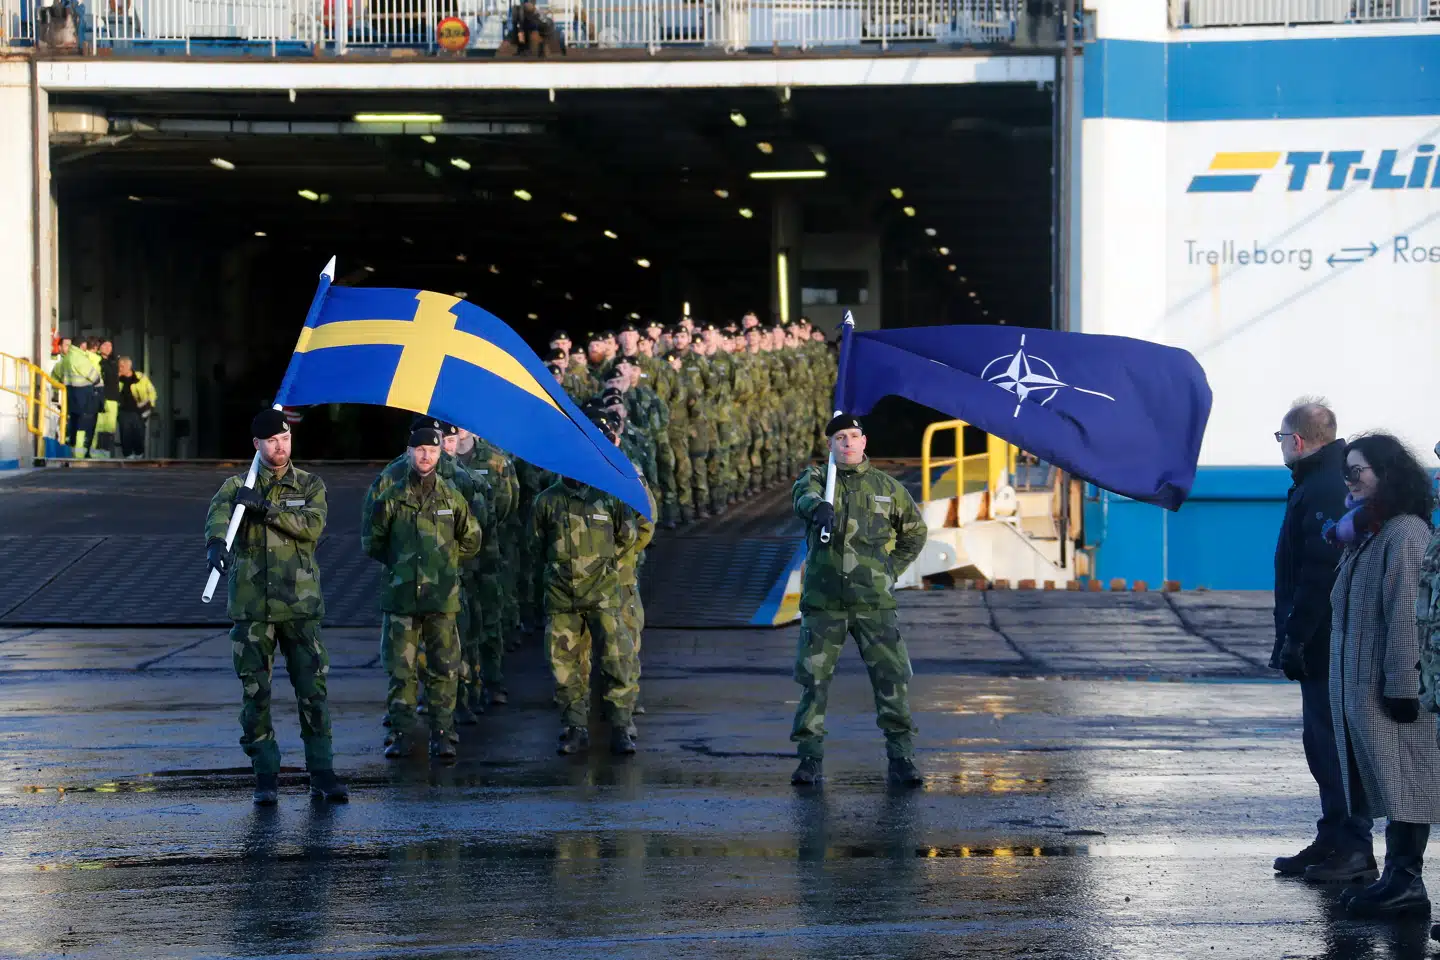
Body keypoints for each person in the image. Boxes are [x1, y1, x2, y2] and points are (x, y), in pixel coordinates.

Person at [203, 409, 346, 805]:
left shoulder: (310, 484)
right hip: (252, 609)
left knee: (313, 693)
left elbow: (312, 526)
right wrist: (215, 544)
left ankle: (323, 773)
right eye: (271, 441)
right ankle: (265, 775)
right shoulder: (236, 486)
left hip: (300, 608)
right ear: (257, 445)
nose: (280, 447)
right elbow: (216, 518)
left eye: (284, 439)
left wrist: (266, 508)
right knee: (256, 694)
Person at [1327, 433, 1440, 915]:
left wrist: (1400, 687)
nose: (1349, 481)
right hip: (1363, 689)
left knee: (1407, 783)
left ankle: (1405, 880)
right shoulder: (1370, 530)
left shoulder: (1405, 534)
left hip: (1391, 691)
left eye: (1359, 471)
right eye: (1346, 471)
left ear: (1387, 474)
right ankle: (1399, 877)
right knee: (1393, 783)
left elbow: (1408, 617)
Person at [789, 414, 928, 787]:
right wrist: (818, 507)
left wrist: (888, 570)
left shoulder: (887, 488)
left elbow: (914, 533)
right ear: (830, 446)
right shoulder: (818, 480)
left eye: (853, 437)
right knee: (814, 683)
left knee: (891, 679)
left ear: (865, 442)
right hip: (824, 604)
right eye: (839, 439)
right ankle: (809, 760)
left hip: (873, 604)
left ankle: (901, 757)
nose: (847, 444)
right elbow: (803, 496)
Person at [1269, 400, 1375, 883]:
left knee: (1333, 746)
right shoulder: (1324, 481)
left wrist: (1296, 636)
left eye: (1281, 439)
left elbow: (1318, 571)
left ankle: (1354, 848)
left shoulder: (1324, 485)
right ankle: (1333, 837)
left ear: (1297, 440)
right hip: (1321, 638)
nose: (1282, 448)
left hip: (1324, 640)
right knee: (1321, 743)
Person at [361, 421, 481, 763]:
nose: (426, 456)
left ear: (438, 452)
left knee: (444, 669)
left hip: (442, 598)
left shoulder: (451, 496)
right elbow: (372, 540)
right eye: (420, 450)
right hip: (401, 598)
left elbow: (472, 538)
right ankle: (400, 734)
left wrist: (446, 563)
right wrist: (401, 565)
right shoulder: (392, 495)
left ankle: (442, 734)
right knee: (401, 671)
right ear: (410, 452)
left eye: (431, 449)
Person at [529, 410, 646, 756]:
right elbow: (535, 544)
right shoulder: (547, 501)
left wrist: (601, 567)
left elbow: (628, 536)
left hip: (604, 595)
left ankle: (621, 726)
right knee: (565, 667)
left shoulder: (608, 495)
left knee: (616, 659)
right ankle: (574, 727)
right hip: (562, 596)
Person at [114, 356, 156, 459]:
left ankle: (139, 455)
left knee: (139, 434)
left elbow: (152, 392)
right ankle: (128, 457)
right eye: (119, 366)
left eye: (122, 366)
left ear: (129, 366)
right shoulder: (116, 378)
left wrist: (150, 406)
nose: (120, 368)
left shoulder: (140, 377)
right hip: (123, 411)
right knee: (125, 434)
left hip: (138, 411)